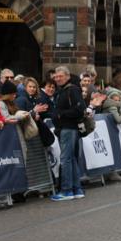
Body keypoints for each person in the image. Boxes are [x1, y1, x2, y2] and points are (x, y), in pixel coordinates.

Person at [50, 66, 87, 201]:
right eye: (56, 76)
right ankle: (76, 189)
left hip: (69, 128)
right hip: (67, 128)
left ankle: (66, 190)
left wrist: (60, 114)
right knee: (71, 158)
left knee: (66, 159)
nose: (58, 79)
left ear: (67, 76)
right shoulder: (63, 91)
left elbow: (80, 109)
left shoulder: (72, 90)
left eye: (60, 76)